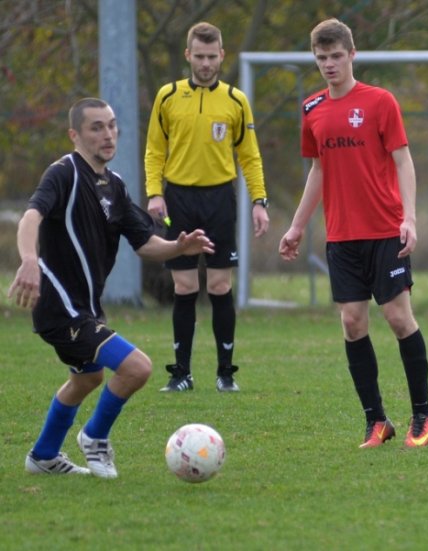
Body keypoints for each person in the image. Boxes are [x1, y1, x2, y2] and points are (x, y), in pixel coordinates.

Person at [10, 98, 214, 478]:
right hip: (59, 306)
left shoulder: (114, 185)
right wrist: (27, 259)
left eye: (111, 125)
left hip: (83, 308)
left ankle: (43, 456)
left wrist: (178, 247)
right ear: (75, 134)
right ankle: (94, 438)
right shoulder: (64, 173)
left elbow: (144, 244)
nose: (107, 134)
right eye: (96, 127)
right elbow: (31, 217)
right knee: (137, 368)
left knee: (87, 378)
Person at [279, 18, 428, 448]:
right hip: (342, 236)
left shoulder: (381, 102)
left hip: (385, 229)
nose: (328, 64)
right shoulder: (312, 109)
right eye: (321, 58)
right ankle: (377, 422)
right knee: (351, 322)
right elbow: (317, 170)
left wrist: (410, 218)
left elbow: (403, 161)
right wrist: (296, 226)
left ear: (352, 55)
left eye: (335, 56)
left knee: (400, 318)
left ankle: (422, 413)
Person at [144, 21, 269, 393]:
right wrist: (155, 192)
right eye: (199, 56)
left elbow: (250, 156)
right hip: (179, 198)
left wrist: (259, 201)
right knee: (184, 286)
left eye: (211, 57)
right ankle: (181, 373)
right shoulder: (167, 96)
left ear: (222, 56)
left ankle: (225, 373)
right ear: (187, 55)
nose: (205, 64)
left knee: (218, 284)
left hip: (220, 199)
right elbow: (155, 150)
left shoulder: (235, 100)